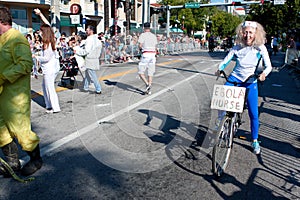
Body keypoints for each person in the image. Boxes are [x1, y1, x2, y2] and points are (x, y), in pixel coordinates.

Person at [215, 21, 272, 154]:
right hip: (235, 79)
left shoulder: (260, 48)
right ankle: (221, 122)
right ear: (242, 33)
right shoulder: (237, 46)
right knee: (220, 98)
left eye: (250, 32)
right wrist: (219, 68)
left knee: (254, 114)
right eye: (245, 32)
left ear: (255, 34)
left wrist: (263, 74)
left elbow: (268, 66)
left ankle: (255, 140)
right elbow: (226, 60)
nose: (247, 35)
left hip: (250, 81)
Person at [0, 7, 43, 177]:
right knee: (1, 129)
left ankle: (36, 159)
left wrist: (3, 77)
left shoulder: (17, 39)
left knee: (21, 130)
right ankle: (12, 163)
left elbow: (26, 64)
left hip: (16, 96)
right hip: (2, 94)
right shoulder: (2, 40)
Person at [32, 14, 61, 113]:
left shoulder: (48, 43)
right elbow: (48, 24)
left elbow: (46, 58)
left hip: (49, 68)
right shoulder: (50, 40)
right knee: (45, 86)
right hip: (50, 68)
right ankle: (49, 105)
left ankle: (55, 107)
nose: (39, 33)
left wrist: (36, 57)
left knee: (49, 88)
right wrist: (40, 14)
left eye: (41, 31)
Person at [75, 25, 102, 94]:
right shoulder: (98, 40)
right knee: (88, 73)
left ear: (91, 31)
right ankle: (85, 87)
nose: (86, 31)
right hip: (95, 58)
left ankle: (98, 88)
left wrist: (77, 52)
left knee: (92, 74)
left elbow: (86, 51)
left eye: (87, 30)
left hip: (90, 58)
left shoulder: (89, 39)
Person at [137, 22, 158, 95]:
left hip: (146, 54)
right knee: (150, 72)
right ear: (149, 28)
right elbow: (155, 47)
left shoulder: (142, 35)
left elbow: (140, 45)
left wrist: (140, 49)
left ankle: (147, 84)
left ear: (144, 28)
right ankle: (149, 88)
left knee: (140, 72)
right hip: (153, 55)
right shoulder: (153, 36)